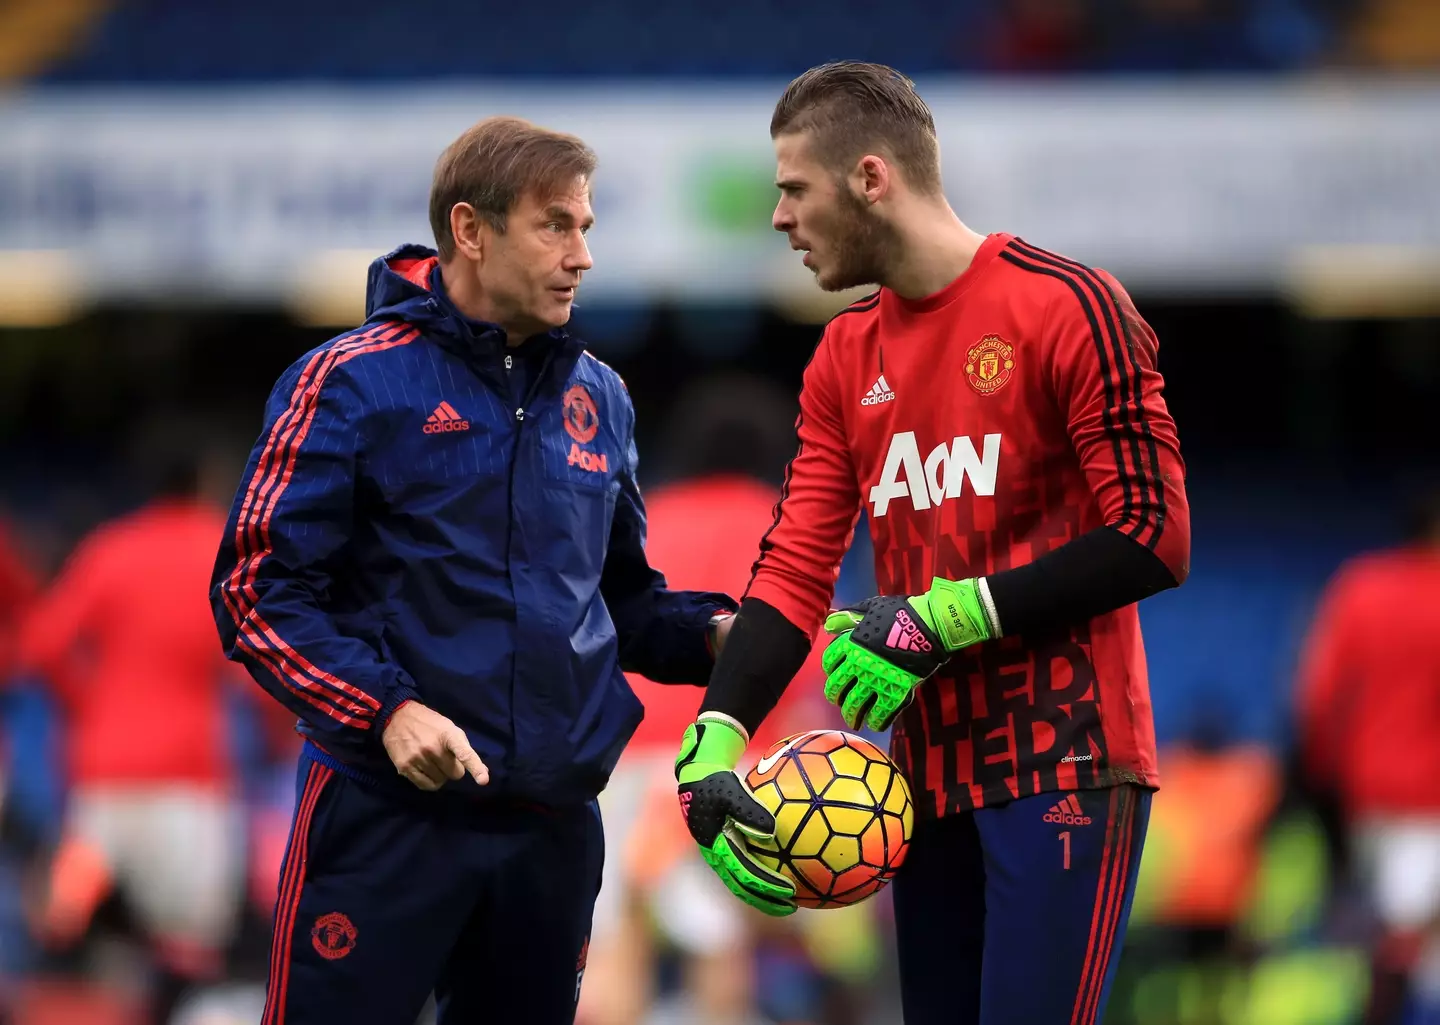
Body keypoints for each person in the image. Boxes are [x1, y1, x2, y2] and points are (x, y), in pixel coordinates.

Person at [673, 62, 1191, 1025]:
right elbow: (794, 569)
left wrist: (951, 614)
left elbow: (1152, 533)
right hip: (917, 787)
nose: (779, 217)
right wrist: (716, 738)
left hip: (1066, 761)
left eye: (793, 188)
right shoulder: (842, 356)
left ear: (871, 178)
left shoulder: (1068, 306)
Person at [210, 115, 738, 1025]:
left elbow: (623, 603)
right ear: (470, 229)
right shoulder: (347, 381)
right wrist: (384, 711)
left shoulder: (599, 396)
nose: (581, 254)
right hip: (387, 818)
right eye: (555, 225)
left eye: (587, 228)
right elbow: (255, 593)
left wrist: (718, 636)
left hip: (551, 828)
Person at [18, 455, 246, 1024]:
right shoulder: (215, 551)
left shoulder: (110, 548)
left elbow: (41, 645)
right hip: (189, 784)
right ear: (205, 486)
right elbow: (258, 670)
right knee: (192, 948)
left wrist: (86, 704)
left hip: (103, 781)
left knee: (67, 933)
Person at [1295, 489, 1440, 1025]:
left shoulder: (1359, 585)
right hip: (1428, 802)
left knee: (1394, 942)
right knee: (1410, 955)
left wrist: (1326, 783)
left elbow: (1317, 696)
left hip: (1368, 799)